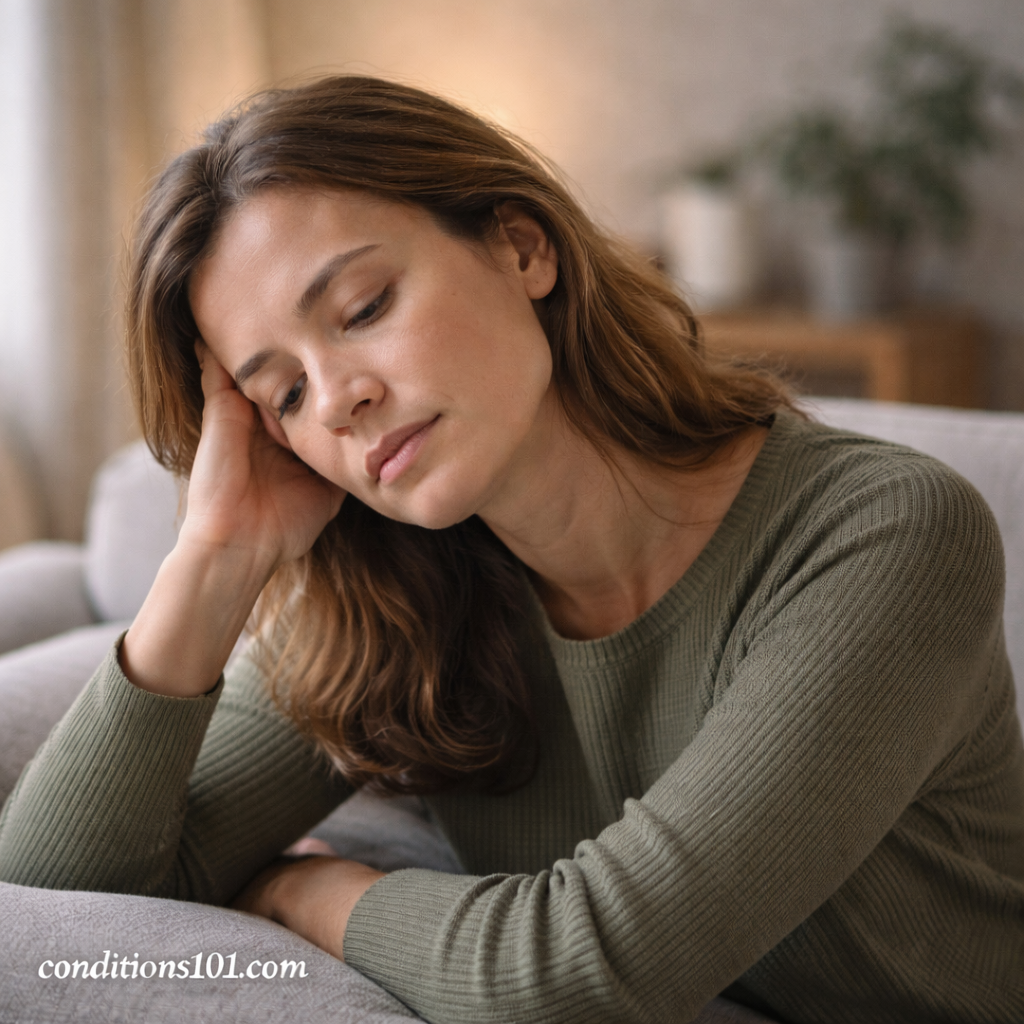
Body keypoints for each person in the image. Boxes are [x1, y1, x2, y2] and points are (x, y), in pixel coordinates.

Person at [0, 76, 1021, 1024]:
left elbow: (570, 974)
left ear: (522, 247)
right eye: (286, 395)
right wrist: (216, 556)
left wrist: (308, 887)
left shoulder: (882, 532)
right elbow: (50, 897)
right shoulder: (397, 597)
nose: (341, 397)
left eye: (362, 308)